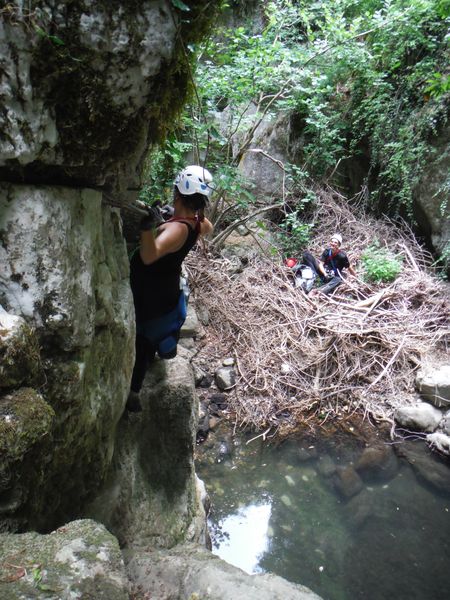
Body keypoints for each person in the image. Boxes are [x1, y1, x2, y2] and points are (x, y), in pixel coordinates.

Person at [127, 165, 214, 411]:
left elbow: (148, 256)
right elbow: (208, 226)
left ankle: (133, 392)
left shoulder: (176, 229)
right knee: (153, 332)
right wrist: (171, 215)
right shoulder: (196, 223)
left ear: (178, 192)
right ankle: (159, 350)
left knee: (142, 337)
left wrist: (147, 228)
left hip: (151, 290)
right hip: (167, 287)